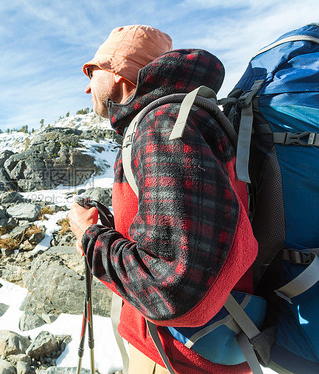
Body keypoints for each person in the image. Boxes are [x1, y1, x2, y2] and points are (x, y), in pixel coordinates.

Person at [68, 25, 258, 373]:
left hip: (174, 358)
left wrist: (90, 237)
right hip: (200, 349)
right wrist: (113, 226)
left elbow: (171, 284)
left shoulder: (161, 125)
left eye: (91, 71)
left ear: (119, 72)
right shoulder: (173, 120)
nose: (86, 85)